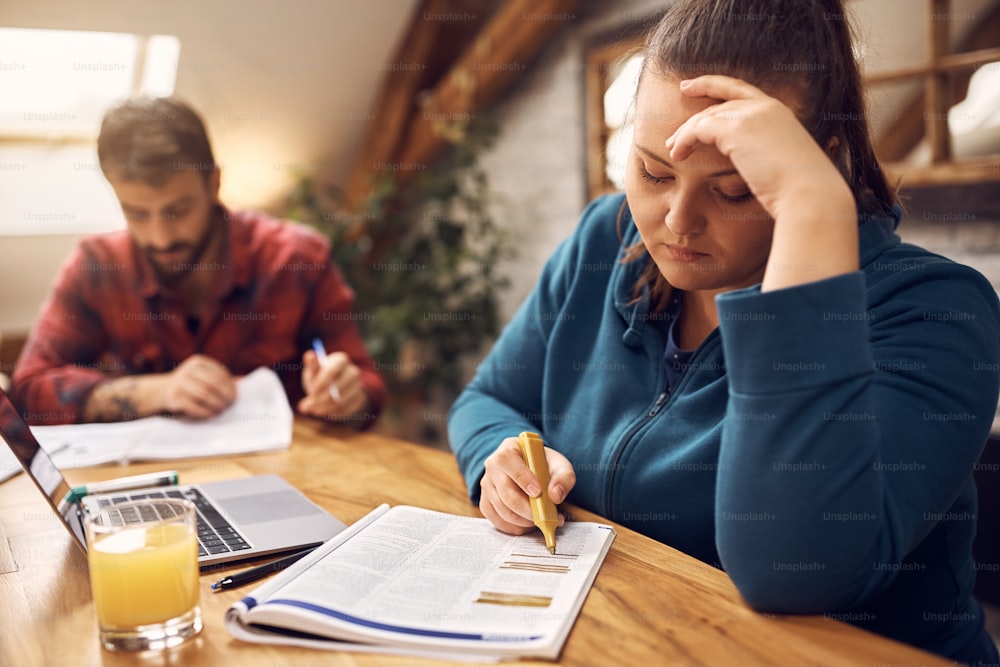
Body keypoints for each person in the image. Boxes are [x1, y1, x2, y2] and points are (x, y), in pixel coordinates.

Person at [447, 0, 1000, 662]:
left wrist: (812, 214)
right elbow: (485, 398)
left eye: (734, 189)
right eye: (653, 171)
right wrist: (498, 460)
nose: (677, 220)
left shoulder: (937, 307)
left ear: (815, 166)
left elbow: (791, 571)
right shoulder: (609, 236)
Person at [12, 96, 385, 428]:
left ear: (214, 184)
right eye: (137, 213)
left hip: (286, 477)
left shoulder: (297, 258)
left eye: (178, 210)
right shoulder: (98, 266)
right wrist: (155, 392)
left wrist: (351, 395)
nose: (160, 237)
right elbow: (29, 390)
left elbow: (366, 385)